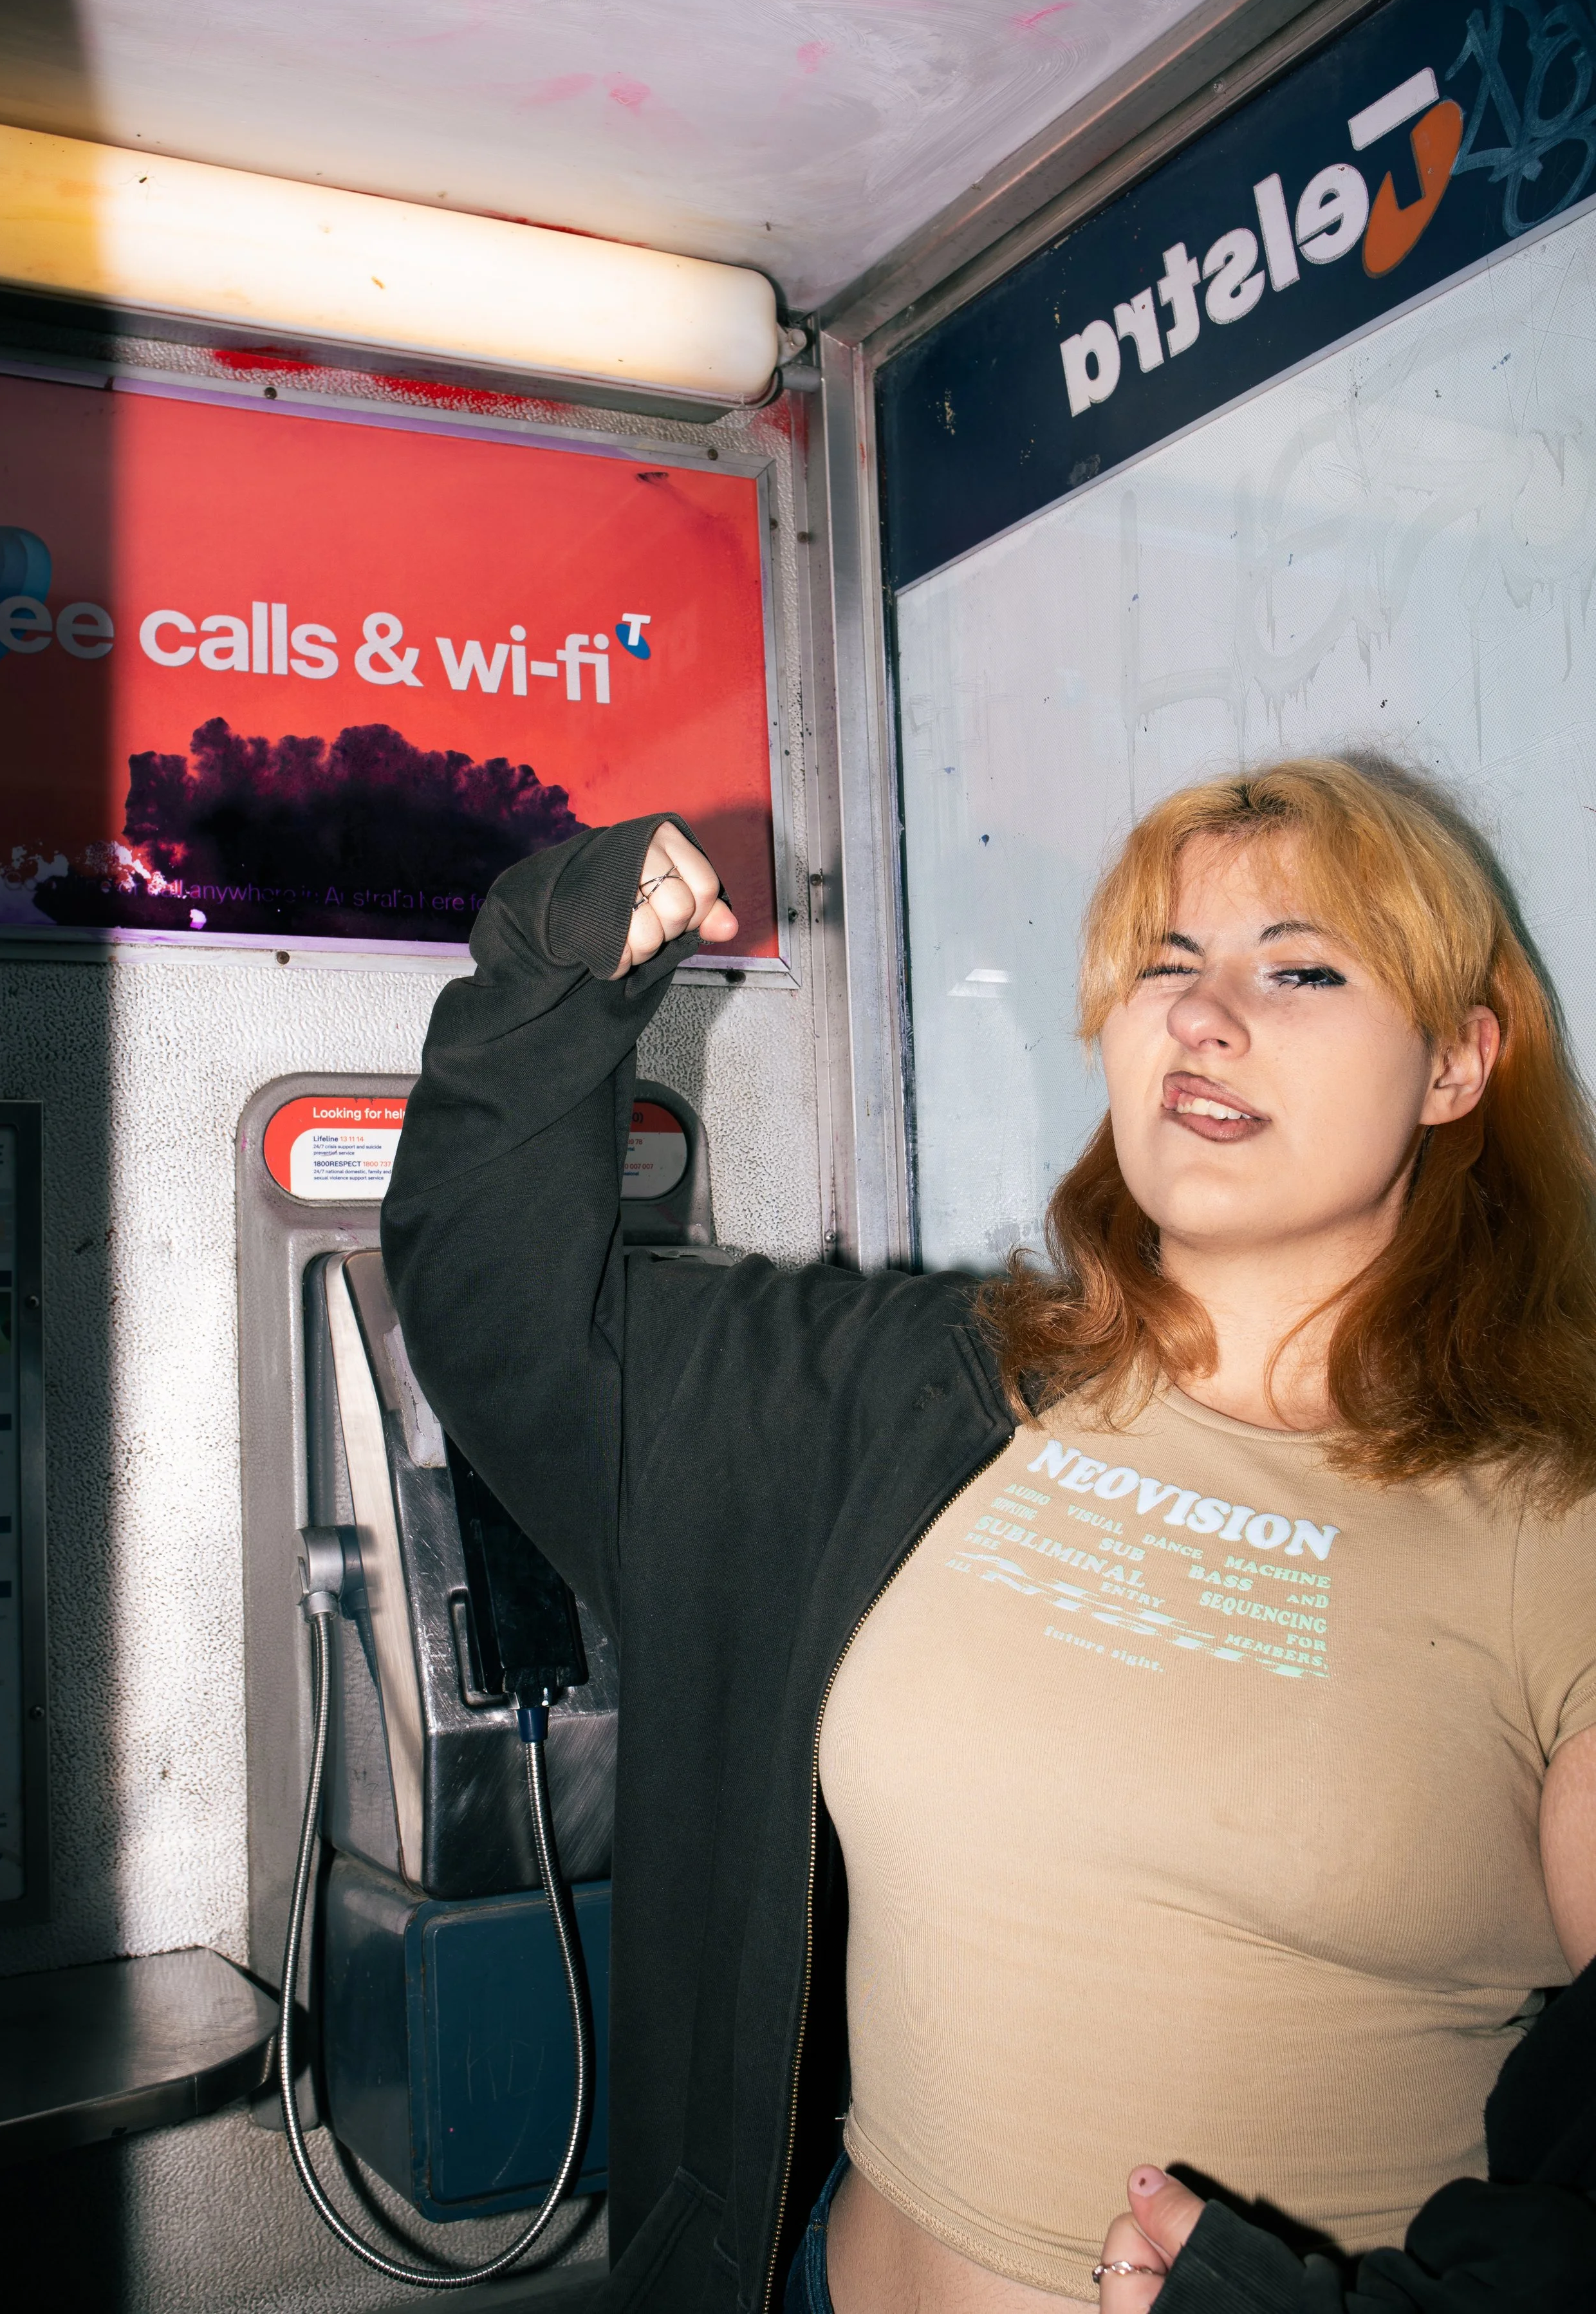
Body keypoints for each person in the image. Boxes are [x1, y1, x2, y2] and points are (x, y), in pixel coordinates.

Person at [382, 758, 1596, 2314]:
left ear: (1456, 1064)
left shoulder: (1554, 1523)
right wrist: (552, 976)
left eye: (1297, 970)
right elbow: (510, 1324)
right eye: (1165, 963)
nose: (1202, 1015)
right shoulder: (911, 1390)